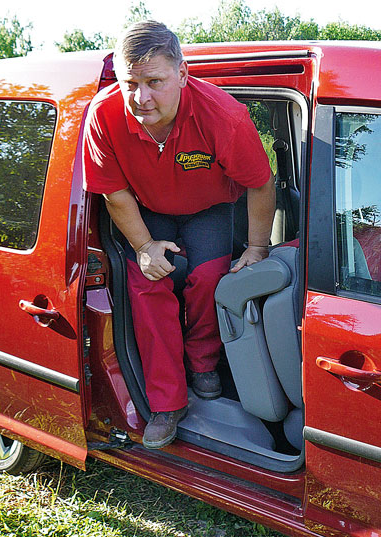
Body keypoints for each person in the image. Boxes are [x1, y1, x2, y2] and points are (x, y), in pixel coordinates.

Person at [83, 21, 275, 449]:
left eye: (155, 82)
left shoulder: (223, 116)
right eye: (130, 83)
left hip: (210, 210)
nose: (141, 97)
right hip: (146, 211)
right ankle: (168, 403)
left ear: (183, 75)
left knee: (207, 281)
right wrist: (143, 247)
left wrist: (259, 246)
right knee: (149, 287)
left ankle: (203, 363)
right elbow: (113, 193)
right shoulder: (104, 115)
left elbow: (261, 183)